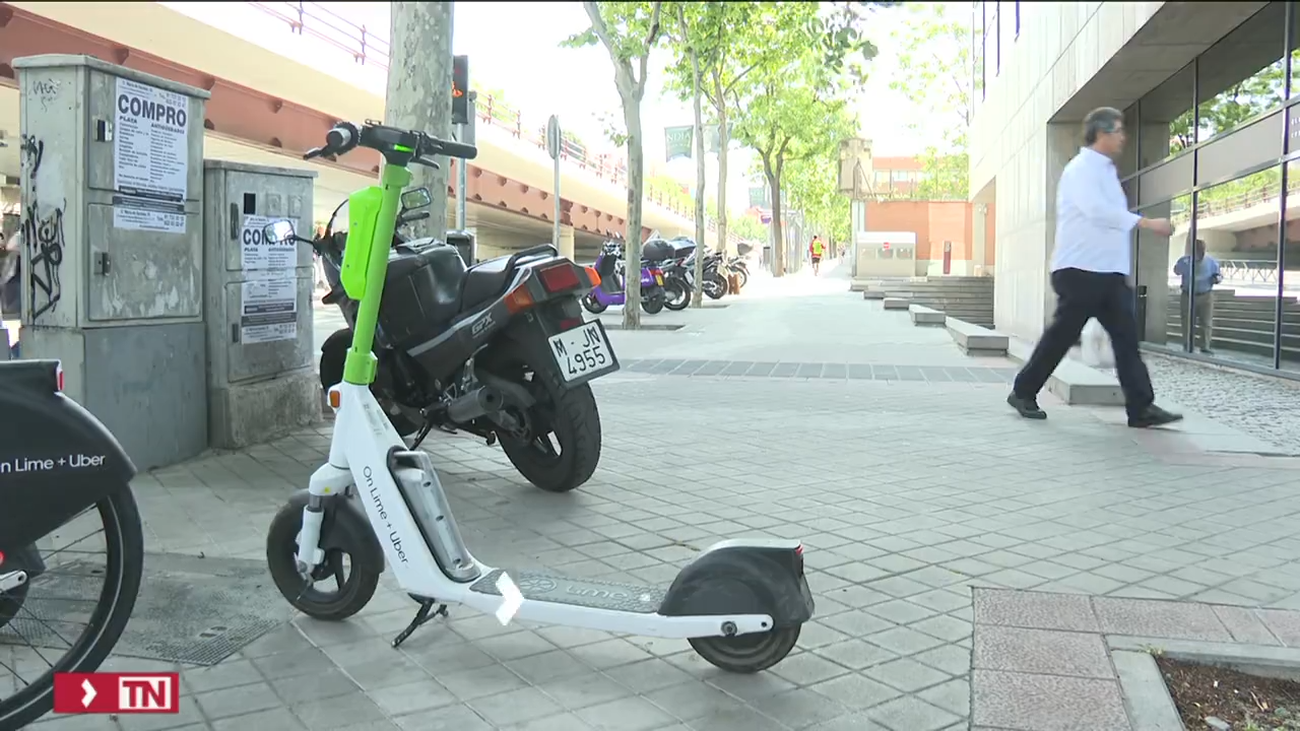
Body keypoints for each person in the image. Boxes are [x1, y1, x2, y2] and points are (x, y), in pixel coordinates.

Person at [1006, 106, 1183, 428]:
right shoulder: (1081, 169)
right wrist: (1146, 223)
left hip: (1108, 273)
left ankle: (1141, 408)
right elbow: (1096, 211)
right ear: (1101, 133)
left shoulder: (1106, 171)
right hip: (1080, 271)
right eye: (1118, 130)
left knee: (1126, 340)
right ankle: (1023, 391)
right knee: (1062, 336)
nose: (1123, 137)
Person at [1173, 238, 1221, 355]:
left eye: (1202, 249)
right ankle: (1188, 344)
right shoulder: (1185, 261)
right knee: (1187, 321)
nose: (1200, 252)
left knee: (1206, 322)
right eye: (1198, 249)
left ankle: (1205, 346)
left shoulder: (1211, 262)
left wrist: (1216, 279)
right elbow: (1176, 271)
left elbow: (1219, 275)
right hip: (1188, 295)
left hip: (1205, 295)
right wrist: (1180, 267)